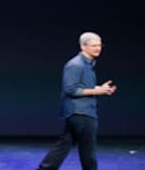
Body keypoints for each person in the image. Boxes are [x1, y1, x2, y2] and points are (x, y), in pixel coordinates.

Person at [37, 31, 116, 170]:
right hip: (81, 113)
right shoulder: (76, 65)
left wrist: (100, 88)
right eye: (94, 45)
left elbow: (83, 87)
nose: (98, 48)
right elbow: (71, 90)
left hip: (80, 112)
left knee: (64, 144)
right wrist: (97, 91)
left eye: (99, 45)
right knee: (88, 150)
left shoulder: (87, 65)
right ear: (83, 47)